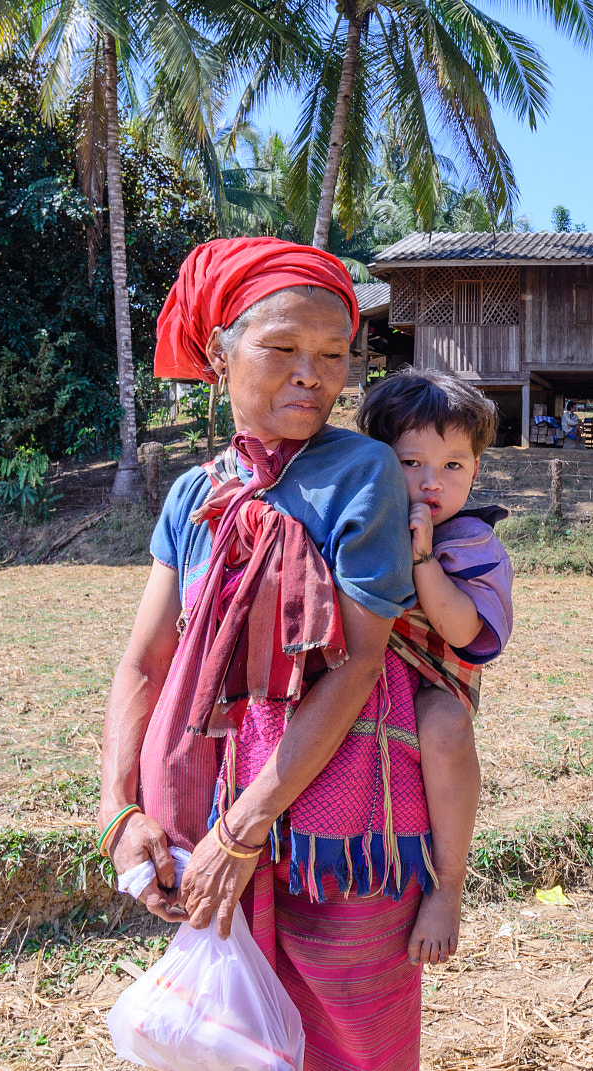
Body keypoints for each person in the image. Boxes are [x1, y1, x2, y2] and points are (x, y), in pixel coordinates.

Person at [97, 236, 428, 1071]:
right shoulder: (192, 493)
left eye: (331, 355)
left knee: (349, 1038)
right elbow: (146, 662)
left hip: (333, 819)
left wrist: (245, 831)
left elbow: (357, 662)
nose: (311, 375)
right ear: (220, 352)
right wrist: (117, 812)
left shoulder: (362, 472)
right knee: (228, 1038)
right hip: (206, 808)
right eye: (281, 348)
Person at [356, 369, 515, 966]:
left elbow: (464, 631)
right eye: (411, 463)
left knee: (447, 726)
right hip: (359, 671)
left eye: (453, 466)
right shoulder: (360, 521)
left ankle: (449, 887)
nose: (432, 482)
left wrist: (422, 557)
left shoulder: (471, 541)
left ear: (475, 471)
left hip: (434, 679)